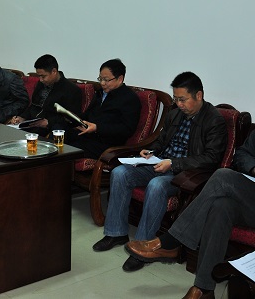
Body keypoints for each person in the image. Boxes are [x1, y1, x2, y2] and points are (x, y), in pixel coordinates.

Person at [125, 80, 255, 299]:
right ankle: (204, 288)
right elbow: (242, 155)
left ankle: (173, 242)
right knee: (222, 205)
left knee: (222, 177)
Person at [93, 72, 228, 274]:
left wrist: (173, 163)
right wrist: (150, 151)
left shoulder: (214, 120)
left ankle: (144, 245)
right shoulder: (175, 115)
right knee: (120, 173)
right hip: (159, 163)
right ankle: (116, 232)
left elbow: (211, 158)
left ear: (199, 95)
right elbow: (161, 141)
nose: (178, 104)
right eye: (175, 99)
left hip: (184, 174)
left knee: (156, 186)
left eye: (183, 99)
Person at [65, 58, 141, 159]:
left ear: (120, 79)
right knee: (59, 134)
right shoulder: (100, 93)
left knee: (69, 150)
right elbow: (88, 115)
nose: (102, 83)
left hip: (108, 145)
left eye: (106, 80)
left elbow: (126, 129)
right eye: (100, 79)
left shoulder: (129, 98)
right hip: (89, 136)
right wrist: (71, 117)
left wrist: (97, 128)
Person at [7, 54, 82, 136]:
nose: (40, 80)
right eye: (39, 76)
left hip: (52, 129)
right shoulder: (41, 84)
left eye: (43, 76)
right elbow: (34, 106)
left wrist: (49, 122)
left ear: (54, 71)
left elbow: (72, 118)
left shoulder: (71, 90)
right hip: (33, 125)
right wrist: (22, 118)